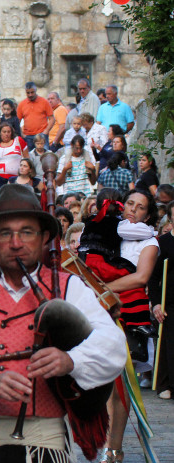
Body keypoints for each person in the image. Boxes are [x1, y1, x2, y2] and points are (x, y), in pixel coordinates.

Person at [0, 183, 126, 463]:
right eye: (4, 233)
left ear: (44, 237)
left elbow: (112, 344)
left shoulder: (69, 287)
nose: (16, 243)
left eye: (27, 232)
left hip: (44, 437)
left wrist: (71, 360)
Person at [77, 188, 158, 462]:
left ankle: (115, 448)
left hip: (129, 317)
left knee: (121, 384)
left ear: (149, 214)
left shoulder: (149, 243)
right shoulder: (110, 236)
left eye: (141, 207)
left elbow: (140, 278)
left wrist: (103, 290)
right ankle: (106, 443)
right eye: (130, 204)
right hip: (101, 315)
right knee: (103, 383)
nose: (133, 210)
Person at [149, 199, 174, 400]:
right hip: (170, 302)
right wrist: (156, 302)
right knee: (168, 342)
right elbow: (154, 276)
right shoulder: (163, 243)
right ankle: (166, 384)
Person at [16, 82, 54, 150]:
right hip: (28, 136)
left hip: (42, 135)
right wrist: (22, 134)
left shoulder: (44, 102)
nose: (30, 95)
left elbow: (52, 119)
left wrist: (46, 131)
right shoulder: (22, 104)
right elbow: (17, 121)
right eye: (28, 93)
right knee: (29, 158)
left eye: (32, 92)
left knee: (44, 157)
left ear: (36, 90)